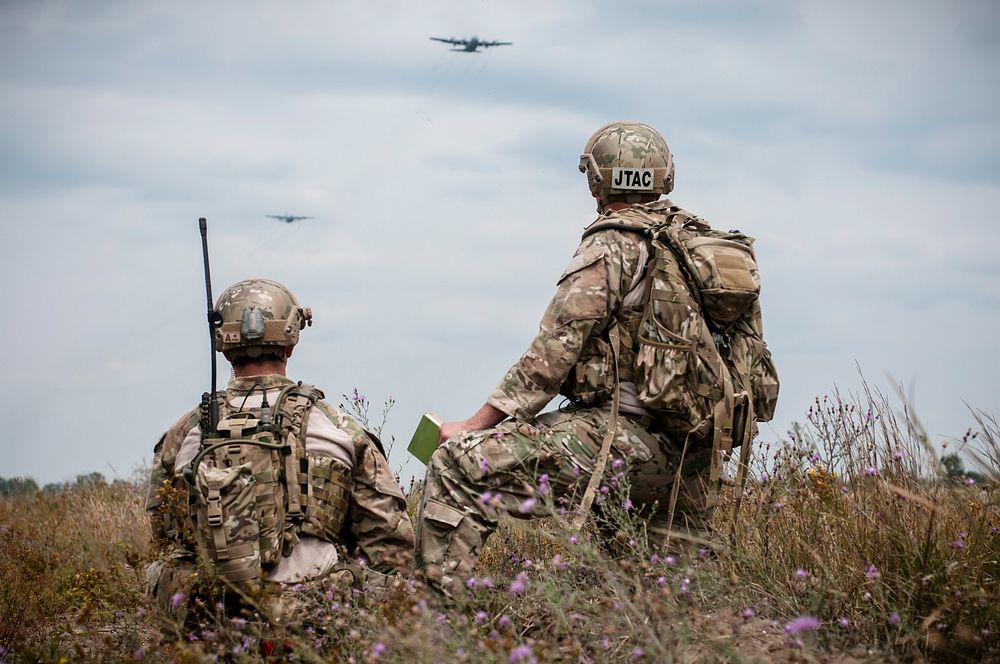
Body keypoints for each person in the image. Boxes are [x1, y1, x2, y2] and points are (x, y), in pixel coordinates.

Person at [416, 121, 778, 591]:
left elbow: (553, 352)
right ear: (664, 177)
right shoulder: (707, 252)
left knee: (457, 466)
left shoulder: (612, 243)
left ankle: (434, 627)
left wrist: (473, 426)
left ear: (596, 180)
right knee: (661, 601)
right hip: (696, 460)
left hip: (624, 447)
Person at [145, 278, 414, 620]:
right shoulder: (339, 429)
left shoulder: (183, 434)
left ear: (224, 349)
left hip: (209, 617)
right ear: (290, 345)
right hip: (311, 616)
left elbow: (164, 531)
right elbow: (391, 544)